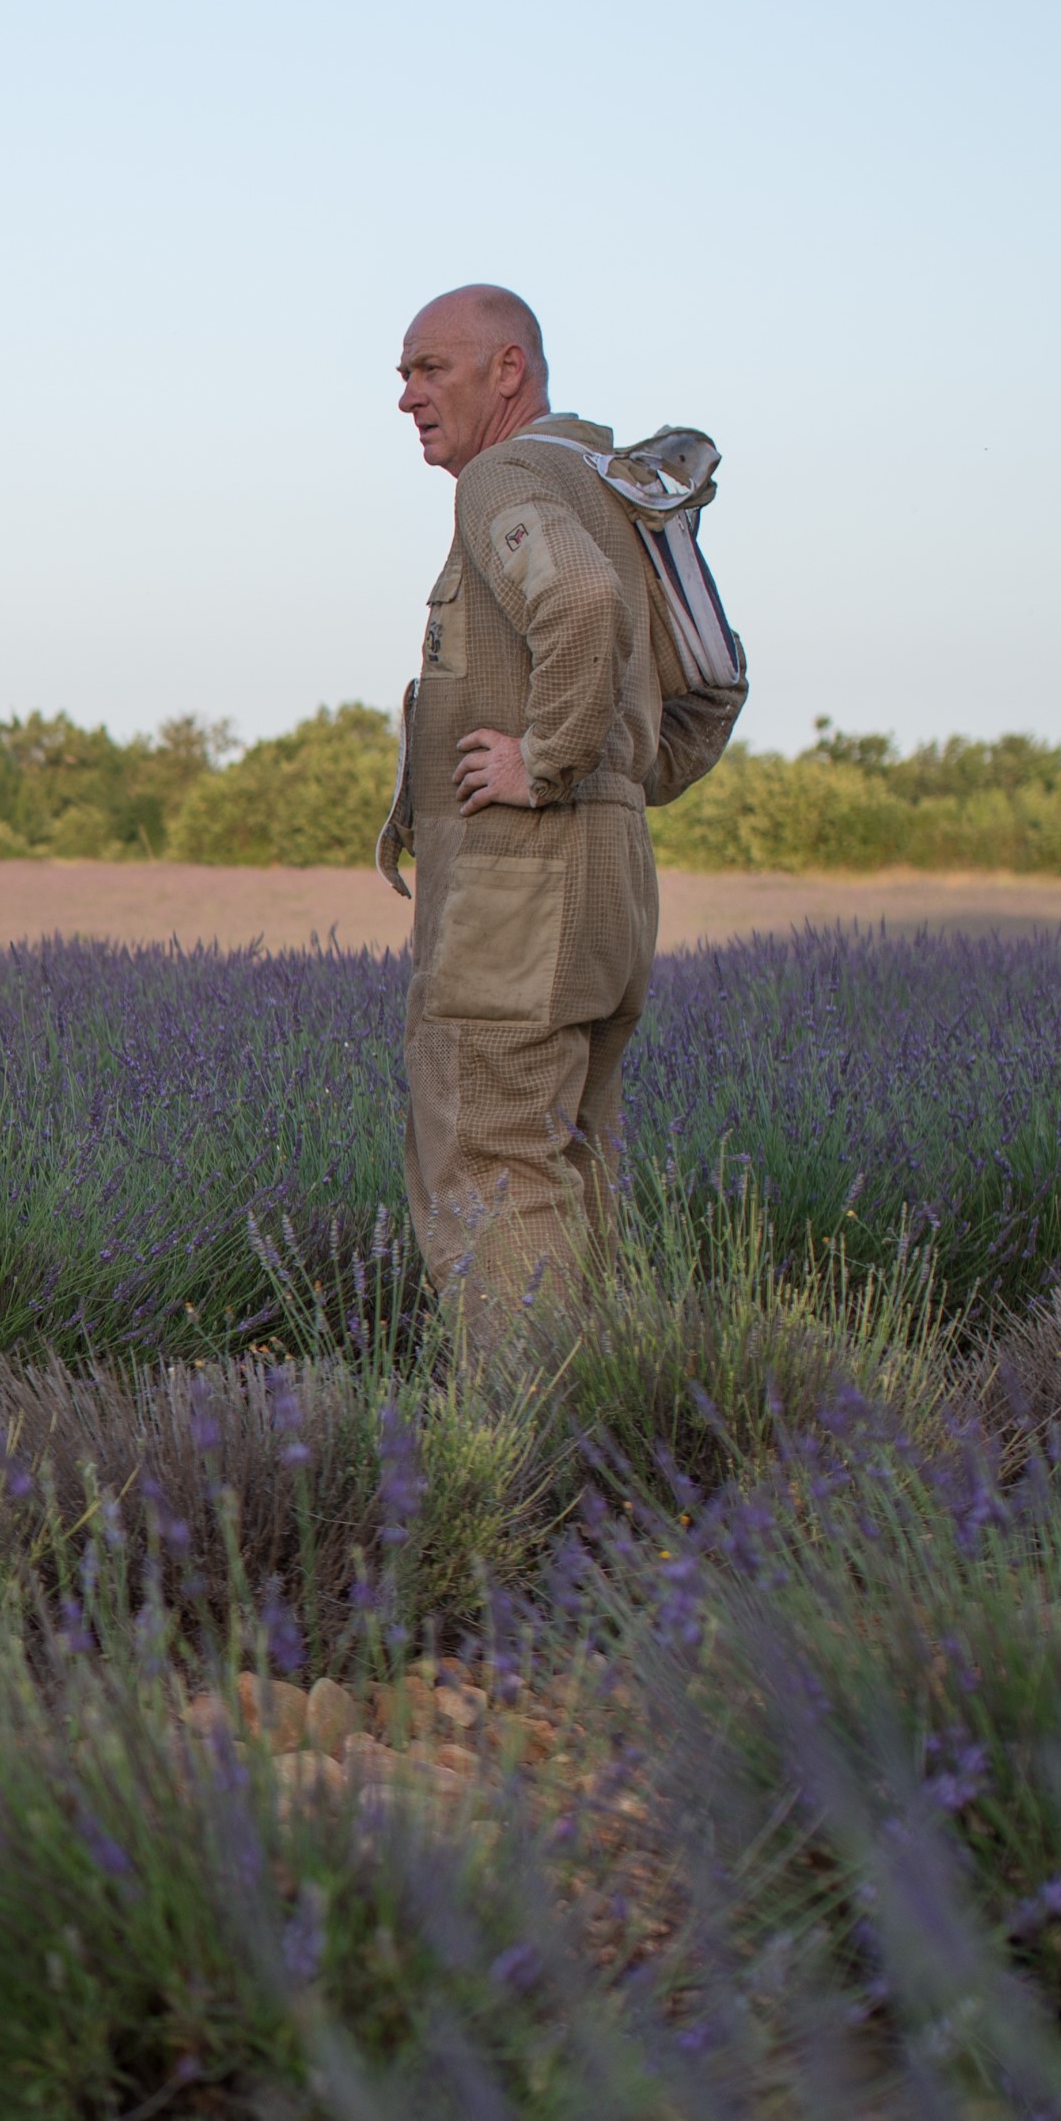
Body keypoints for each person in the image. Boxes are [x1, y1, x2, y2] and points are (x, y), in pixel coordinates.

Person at [378, 285, 735, 1354]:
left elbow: (574, 603)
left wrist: (550, 763)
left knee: (487, 1150)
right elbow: (711, 682)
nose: (404, 397)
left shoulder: (510, 474)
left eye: (427, 368)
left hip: (517, 890)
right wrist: (614, 785)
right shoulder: (610, 489)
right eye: (400, 373)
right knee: (567, 1161)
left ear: (508, 372)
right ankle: (601, 1431)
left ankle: (520, 1441)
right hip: (604, 885)